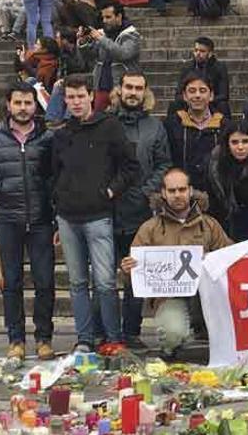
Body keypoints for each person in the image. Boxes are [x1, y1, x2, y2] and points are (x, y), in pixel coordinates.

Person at [52, 74, 140, 353]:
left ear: (91, 96)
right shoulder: (62, 133)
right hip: (68, 217)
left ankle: (113, 338)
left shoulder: (109, 126)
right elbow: (52, 174)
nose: (76, 102)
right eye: (70, 97)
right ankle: (85, 338)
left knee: (104, 282)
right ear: (64, 99)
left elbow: (130, 167)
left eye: (80, 96)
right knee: (77, 282)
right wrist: (58, 202)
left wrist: (111, 191)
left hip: (99, 215)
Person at [0, 82, 56, 361]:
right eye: (18, 103)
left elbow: (55, 175)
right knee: (12, 283)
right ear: (8, 105)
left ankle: (44, 337)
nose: (23, 108)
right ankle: (15, 339)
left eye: (28, 103)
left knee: (44, 281)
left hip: (41, 219)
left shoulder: (47, 138)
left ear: (35, 105)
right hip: (7, 219)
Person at [119, 168, 232, 357]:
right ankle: (177, 344)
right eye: (172, 191)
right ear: (163, 193)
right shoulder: (150, 228)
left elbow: (228, 256)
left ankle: (200, 338)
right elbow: (134, 279)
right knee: (173, 334)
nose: (177, 195)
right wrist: (127, 270)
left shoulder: (209, 224)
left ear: (190, 190)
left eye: (181, 189)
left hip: (205, 296)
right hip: (169, 298)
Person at [111, 72, 172, 349]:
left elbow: (163, 164)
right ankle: (108, 333)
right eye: (128, 87)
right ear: (120, 90)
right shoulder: (105, 122)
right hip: (107, 210)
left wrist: (146, 190)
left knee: (135, 276)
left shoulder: (154, 127)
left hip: (140, 212)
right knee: (104, 277)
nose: (133, 92)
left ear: (145, 92)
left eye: (138, 88)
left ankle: (131, 332)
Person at [165, 73, 228, 194]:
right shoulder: (172, 125)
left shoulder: (225, 126)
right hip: (182, 194)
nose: (197, 95)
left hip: (216, 195)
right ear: (184, 95)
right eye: (192, 91)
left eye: (203, 90)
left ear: (211, 95)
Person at [77, 0, 141, 112]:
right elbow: (90, 56)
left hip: (122, 88)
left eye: (108, 17)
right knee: (99, 122)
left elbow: (123, 53)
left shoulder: (132, 35)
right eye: (103, 18)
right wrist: (83, 42)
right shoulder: (103, 34)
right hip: (101, 86)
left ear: (119, 16)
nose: (104, 21)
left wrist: (101, 39)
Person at [171, 37, 230, 118]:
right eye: (196, 50)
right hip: (190, 103)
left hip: (211, 103)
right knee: (175, 105)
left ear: (210, 53)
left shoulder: (219, 67)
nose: (198, 53)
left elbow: (224, 95)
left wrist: (205, 99)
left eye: (202, 51)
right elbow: (178, 94)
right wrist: (191, 99)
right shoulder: (187, 67)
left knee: (223, 105)